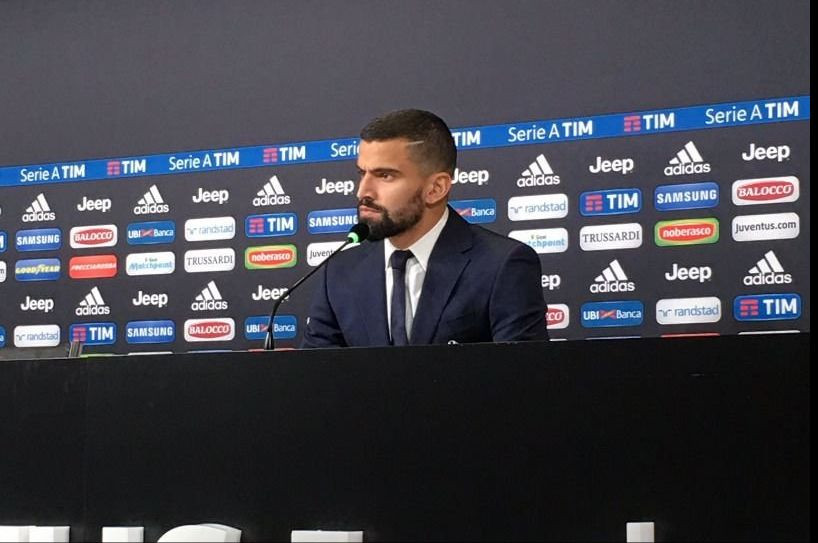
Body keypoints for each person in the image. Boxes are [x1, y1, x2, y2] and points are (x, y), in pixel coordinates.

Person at [302, 109, 548, 347]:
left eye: (385, 176)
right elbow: (318, 370)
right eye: (362, 173)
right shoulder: (339, 272)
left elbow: (521, 372)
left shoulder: (502, 265)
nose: (363, 192)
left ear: (436, 189)